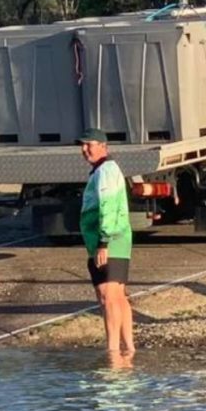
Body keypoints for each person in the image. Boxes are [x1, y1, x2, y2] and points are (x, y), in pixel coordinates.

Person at [78, 127, 135, 356]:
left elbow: (108, 207)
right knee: (116, 296)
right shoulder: (100, 170)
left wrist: (103, 241)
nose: (84, 150)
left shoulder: (106, 171)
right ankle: (129, 349)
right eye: (82, 145)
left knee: (109, 297)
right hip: (110, 241)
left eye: (89, 144)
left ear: (103, 146)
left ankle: (113, 351)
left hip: (111, 241)